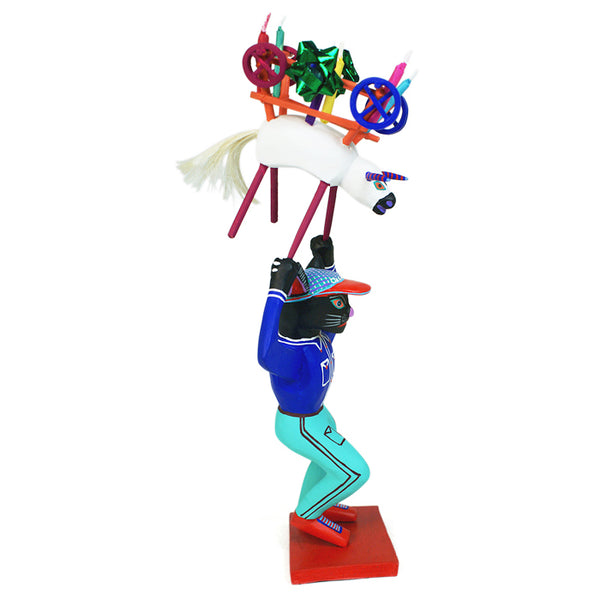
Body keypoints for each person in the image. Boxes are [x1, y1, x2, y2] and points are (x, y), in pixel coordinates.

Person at [257, 235, 371, 547]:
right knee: (355, 472)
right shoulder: (291, 352)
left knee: (326, 463)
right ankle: (307, 514)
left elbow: (313, 293)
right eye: (338, 304)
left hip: (318, 417)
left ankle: (321, 501)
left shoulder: (317, 337)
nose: (347, 312)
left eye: (344, 303)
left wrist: (326, 261)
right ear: (304, 309)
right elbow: (265, 353)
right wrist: (276, 292)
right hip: (300, 425)